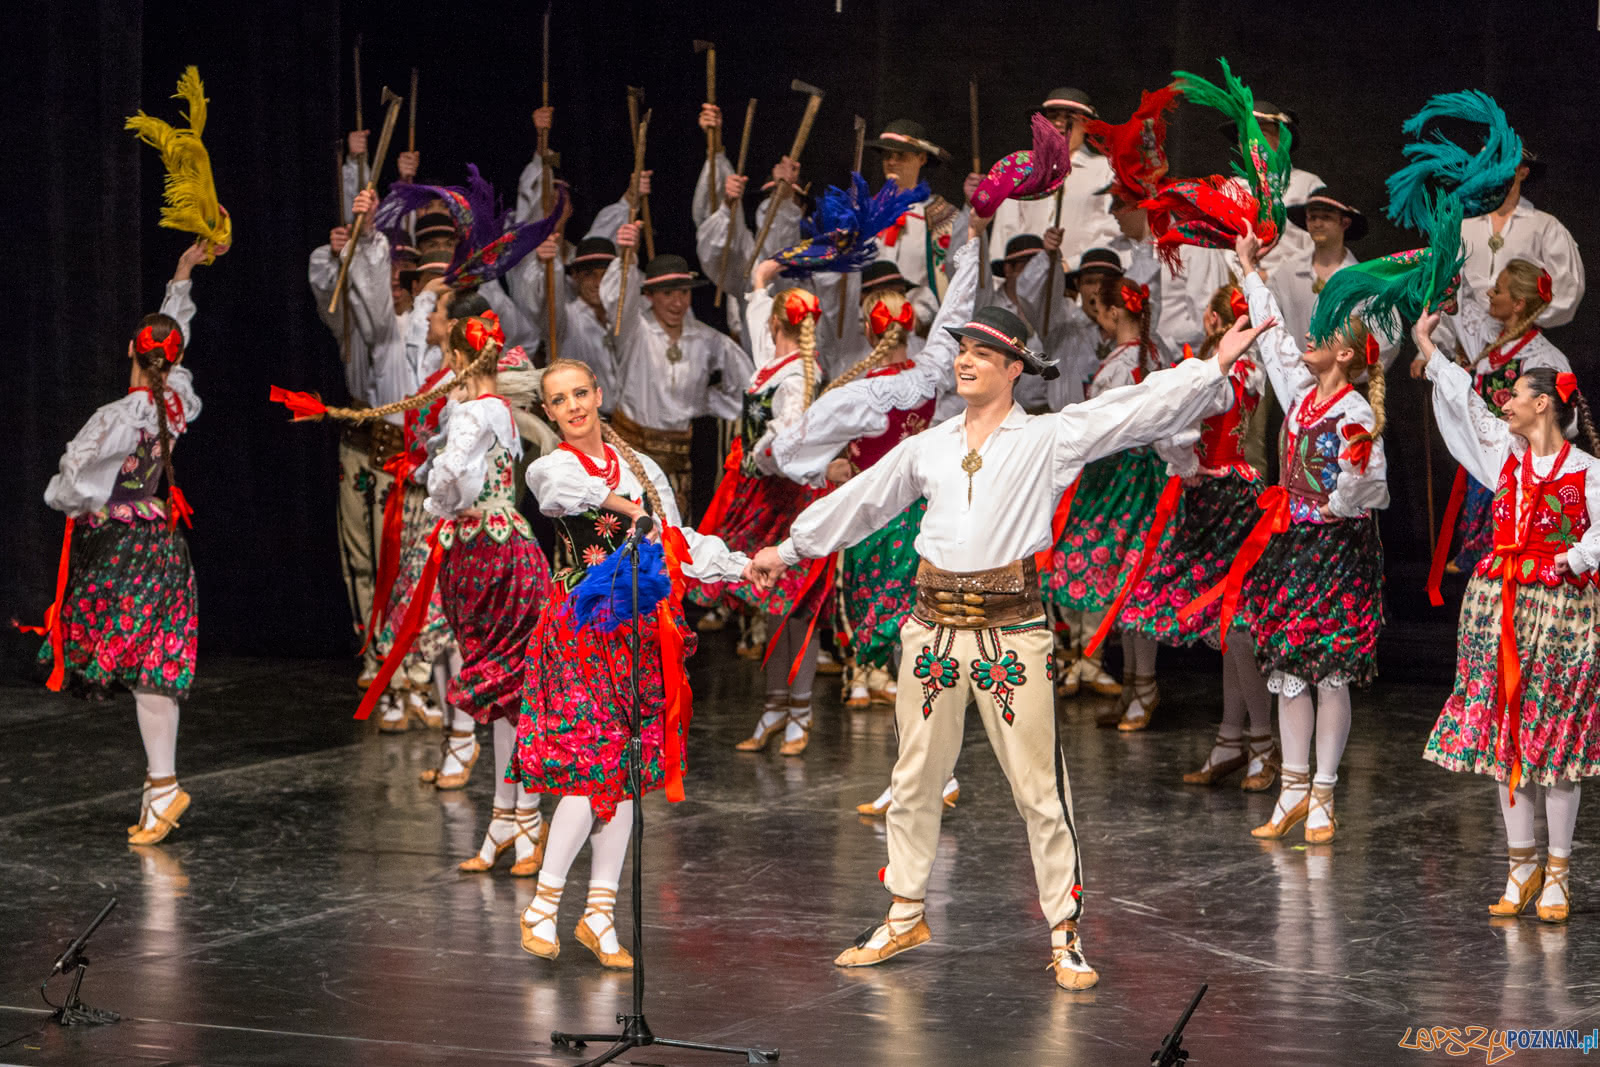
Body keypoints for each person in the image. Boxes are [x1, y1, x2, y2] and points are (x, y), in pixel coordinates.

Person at [749, 295, 1271, 990]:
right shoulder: (929, 445)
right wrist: (790, 549)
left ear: (1015, 366)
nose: (964, 360)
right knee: (912, 780)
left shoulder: (1045, 437)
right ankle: (905, 911)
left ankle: (1065, 929)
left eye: (982, 353)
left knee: (1038, 788)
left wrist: (1210, 366)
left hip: (1009, 633)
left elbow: (1133, 409)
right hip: (932, 629)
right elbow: (864, 498)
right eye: (963, 349)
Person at [512, 358, 754, 967]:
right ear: (549, 411)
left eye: (580, 394)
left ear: (599, 395)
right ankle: (543, 905)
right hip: (580, 632)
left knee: (624, 774)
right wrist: (625, 507)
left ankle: (599, 913)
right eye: (559, 399)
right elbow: (555, 493)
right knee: (590, 769)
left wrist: (741, 564)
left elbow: (675, 540)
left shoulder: (643, 469)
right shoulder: (556, 465)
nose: (572, 406)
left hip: (638, 635)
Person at [770, 233, 983, 813]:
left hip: (880, 528)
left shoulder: (861, 393)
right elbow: (956, 318)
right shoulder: (934, 373)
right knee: (921, 653)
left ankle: (925, 776)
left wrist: (827, 468)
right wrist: (966, 257)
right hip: (929, 518)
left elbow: (788, 450)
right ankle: (931, 774)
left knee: (904, 654)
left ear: (869, 330)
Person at [1414, 313, 1600, 925]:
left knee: (1555, 736)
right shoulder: (1505, 457)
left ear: (1543, 403)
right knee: (1508, 734)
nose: (1506, 401)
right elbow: (1465, 407)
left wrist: (1568, 560)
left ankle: (1558, 871)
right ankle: (1520, 866)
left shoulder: (1586, 471)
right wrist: (1427, 348)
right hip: (1502, 608)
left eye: (1516, 393)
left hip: (1562, 610)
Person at [32, 240, 219, 845]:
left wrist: (71, 499)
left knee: (141, 667)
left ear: (129, 354)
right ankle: (160, 787)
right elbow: (176, 346)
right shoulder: (176, 402)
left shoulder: (119, 415)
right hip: (164, 546)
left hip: (124, 550)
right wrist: (182, 278)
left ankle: (162, 788)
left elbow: (73, 482)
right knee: (154, 669)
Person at [1230, 233, 1389, 844]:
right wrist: (1251, 270)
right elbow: (1270, 331)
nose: (1309, 339)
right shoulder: (1298, 394)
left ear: (1346, 356)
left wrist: (1337, 497)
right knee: (1290, 670)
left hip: (1334, 549)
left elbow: (1369, 486)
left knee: (1330, 672)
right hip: (1292, 548)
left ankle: (1324, 791)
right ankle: (1291, 786)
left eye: (1323, 336)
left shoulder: (1352, 414)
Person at [1116, 284, 1276, 786]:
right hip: (1237, 493)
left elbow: (1173, 430)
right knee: (1228, 628)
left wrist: (1184, 465)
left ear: (1212, 321)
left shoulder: (1214, 375)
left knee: (1237, 625)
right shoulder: (1247, 370)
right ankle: (1233, 738)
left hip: (1219, 499)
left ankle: (1263, 744)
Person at [417, 315, 555, 876]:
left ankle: (525, 817)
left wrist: (437, 499)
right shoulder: (495, 410)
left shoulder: (475, 412)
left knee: (512, 688)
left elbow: (455, 479)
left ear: (455, 362)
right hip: (487, 550)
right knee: (504, 694)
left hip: (492, 552)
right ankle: (507, 817)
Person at [698, 264, 827, 756]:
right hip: (765, 496)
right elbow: (758, 331)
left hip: (790, 497)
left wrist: (758, 453)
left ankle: (801, 708)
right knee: (773, 602)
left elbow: (789, 439)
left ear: (779, 324)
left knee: (798, 607)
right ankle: (775, 705)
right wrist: (757, 285)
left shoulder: (796, 378)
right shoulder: (772, 364)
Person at [1416, 261, 1571, 574]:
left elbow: (1565, 421)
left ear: (1518, 303)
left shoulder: (1543, 358)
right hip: (1487, 453)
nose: (1489, 293)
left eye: (1497, 290)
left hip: (1518, 464)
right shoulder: (1487, 340)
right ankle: (1477, 555)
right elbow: (1461, 307)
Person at [604, 222, 751, 510]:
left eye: (683, 292)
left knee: (670, 532)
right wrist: (626, 256)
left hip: (677, 457)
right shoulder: (635, 329)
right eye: (668, 293)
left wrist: (705, 402)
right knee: (627, 532)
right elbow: (616, 300)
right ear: (650, 295)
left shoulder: (706, 339)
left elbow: (745, 381)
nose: (677, 302)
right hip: (629, 449)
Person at [986, 87, 1120, 269]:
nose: (1059, 123)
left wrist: (1071, 267)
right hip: (1026, 282)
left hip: (1081, 280)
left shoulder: (1104, 170)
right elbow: (1005, 232)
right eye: (1053, 117)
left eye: (1069, 117)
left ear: (1087, 125)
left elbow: (1111, 230)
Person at [1456, 150, 1584, 328]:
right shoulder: (1463, 228)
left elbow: (1568, 290)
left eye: (1503, 165)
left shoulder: (1545, 227)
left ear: (1523, 171)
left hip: (1517, 343)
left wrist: (1521, 321)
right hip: (1465, 344)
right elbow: (1445, 290)